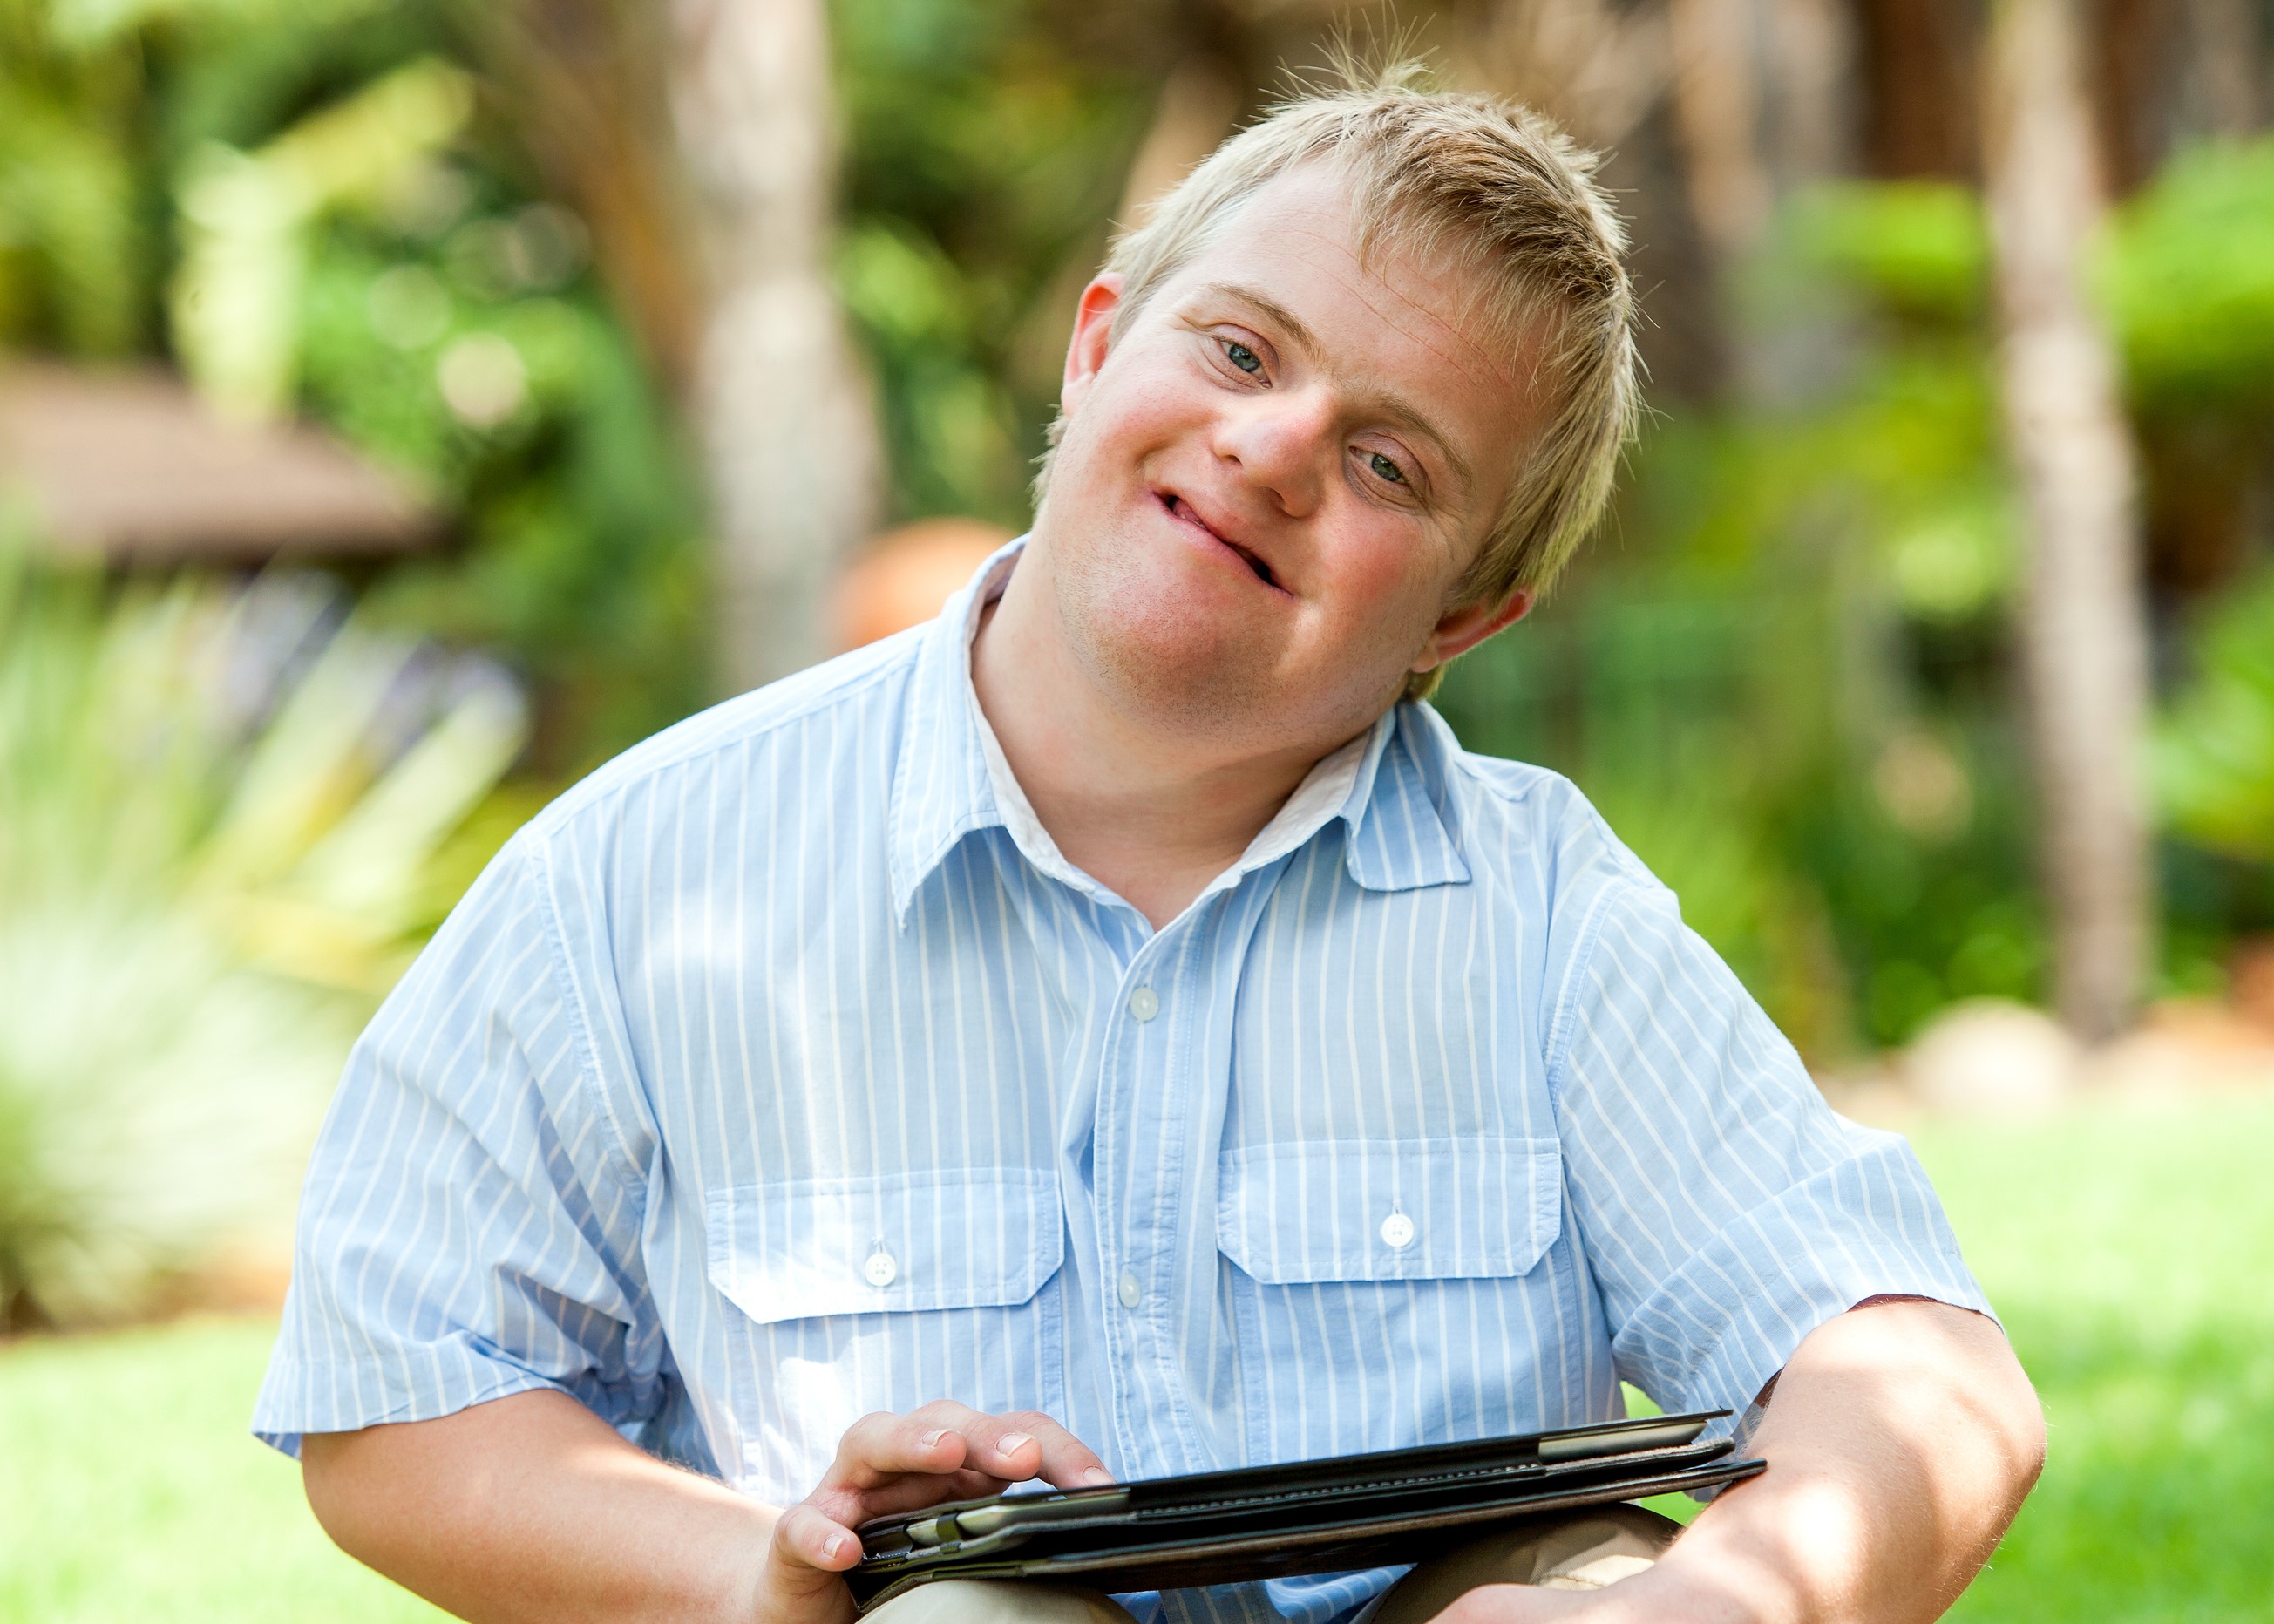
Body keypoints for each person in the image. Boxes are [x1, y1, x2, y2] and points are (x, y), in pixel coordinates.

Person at [256, 72, 2044, 1624]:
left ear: (1471, 616)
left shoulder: (1548, 915)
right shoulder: (641, 874)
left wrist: (1718, 1596)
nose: (1271, 449)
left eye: (1391, 465)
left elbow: (1923, 1372)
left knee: (1585, 1560)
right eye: (1243, 350)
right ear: (1098, 340)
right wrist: (754, 1567)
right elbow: (398, 1400)